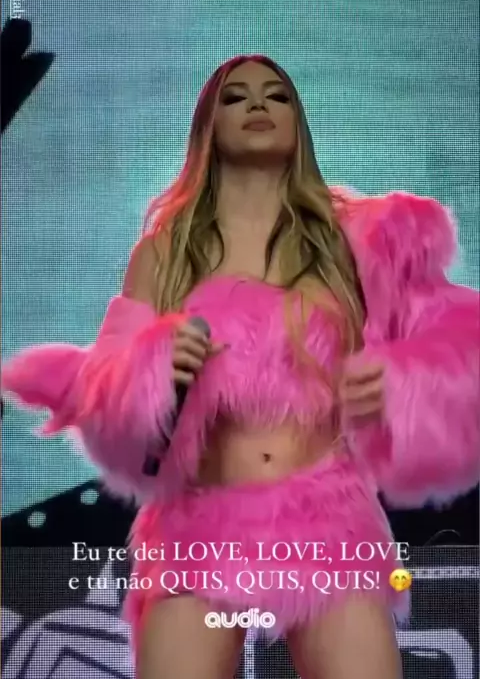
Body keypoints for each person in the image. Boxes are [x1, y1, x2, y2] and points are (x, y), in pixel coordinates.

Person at [2, 54, 479, 679]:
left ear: (298, 122)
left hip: (329, 522)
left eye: (276, 95)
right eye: (236, 97)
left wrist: (404, 383)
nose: (258, 104)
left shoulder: (362, 241)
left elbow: (459, 348)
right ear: (209, 126)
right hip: (198, 525)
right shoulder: (164, 254)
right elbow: (111, 414)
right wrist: (154, 372)